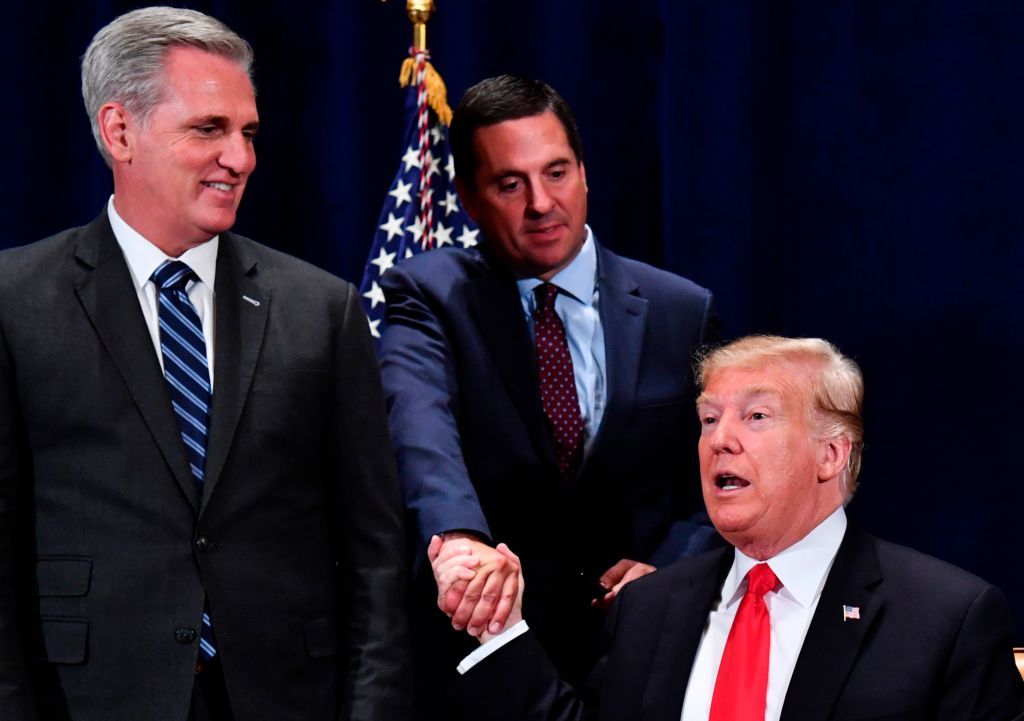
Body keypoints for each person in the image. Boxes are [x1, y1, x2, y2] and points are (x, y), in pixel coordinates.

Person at [0, 8, 409, 721]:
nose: (241, 158)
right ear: (119, 130)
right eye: (208, 130)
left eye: (247, 132)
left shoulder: (322, 309)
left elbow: (374, 553)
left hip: (285, 698)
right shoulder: (13, 302)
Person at [437, 336, 1024, 720]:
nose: (721, 439)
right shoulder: (649, 607)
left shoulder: (947, 619)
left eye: (757, 416)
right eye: (709, 419)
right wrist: (499, 627)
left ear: (832, 454)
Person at [378, 74, 721, 715]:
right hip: (486, 650)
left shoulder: (682, 310)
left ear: (585, 174)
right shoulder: (429, 298)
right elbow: (420, 429)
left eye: (557, 173)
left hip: (641, 651)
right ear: (470, 199)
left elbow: (718, 475)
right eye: (510, 184)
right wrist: (459, 540)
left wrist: (675, 570)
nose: (541, 203)